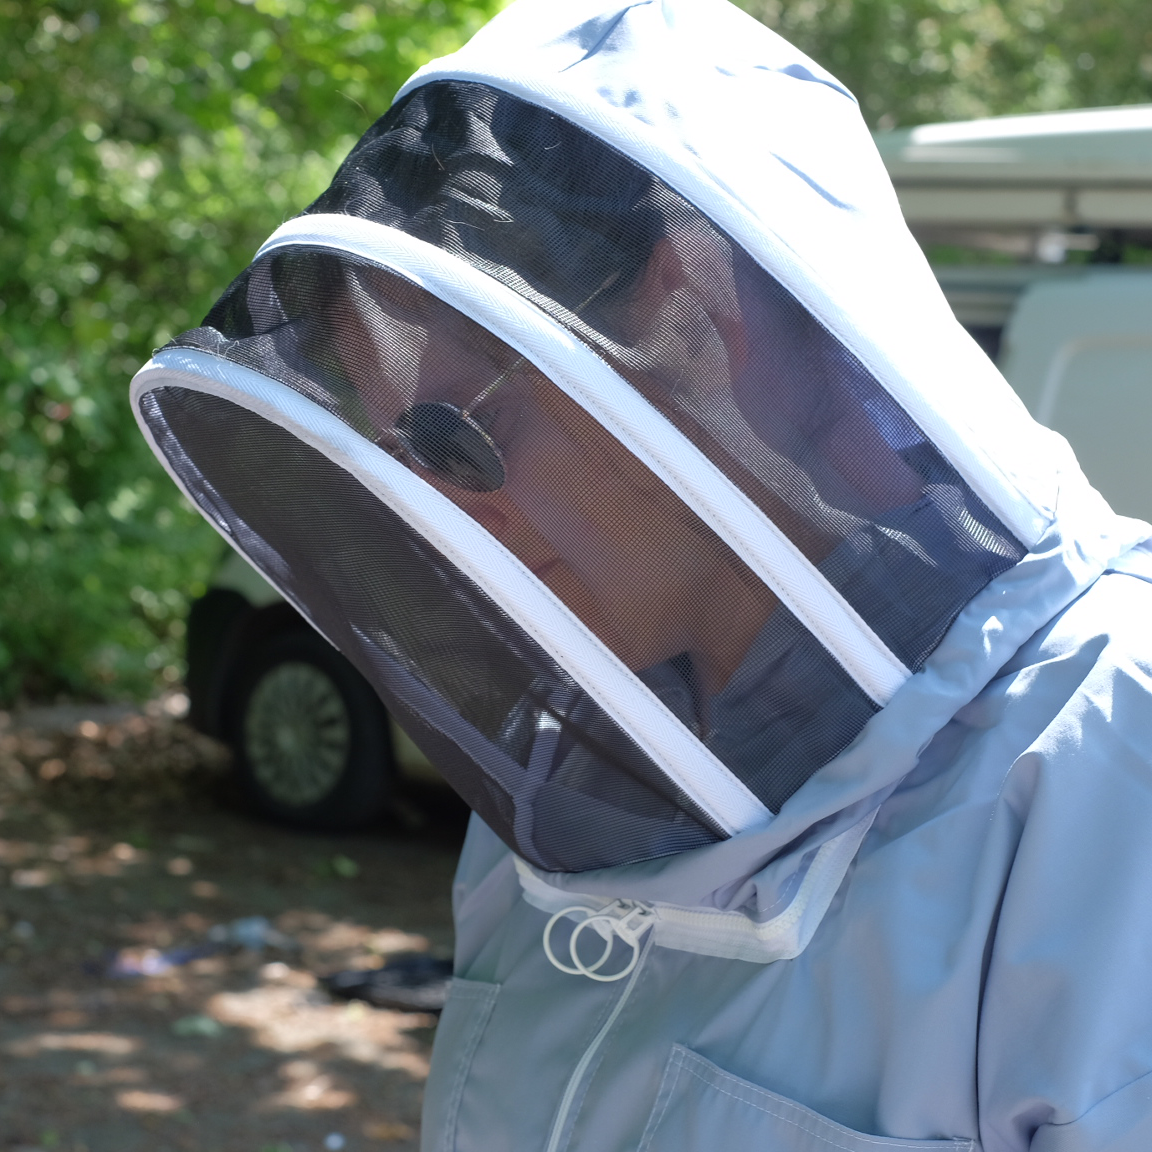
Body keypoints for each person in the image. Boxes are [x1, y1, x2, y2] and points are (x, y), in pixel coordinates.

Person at [131, 0, 1152, 1147]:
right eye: (406, 466)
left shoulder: (1109, 770)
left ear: (691, 299)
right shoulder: (570, 782)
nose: (450, 526)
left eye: (458, 435)